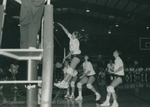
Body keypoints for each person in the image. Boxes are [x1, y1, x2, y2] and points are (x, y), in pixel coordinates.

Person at [54, 23, 81, 89]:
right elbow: (66, 31)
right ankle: (66, 83)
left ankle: (63, 82)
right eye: (72, 34)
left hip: (77, 56)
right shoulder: (71, 38)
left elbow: (71, 52)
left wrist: (65, 57)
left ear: (75, 36)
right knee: (71, 71)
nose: (71, 34)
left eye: (73, 34)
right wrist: (61, 25)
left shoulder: (76, 41)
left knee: (70, 69)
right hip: (75, 56)